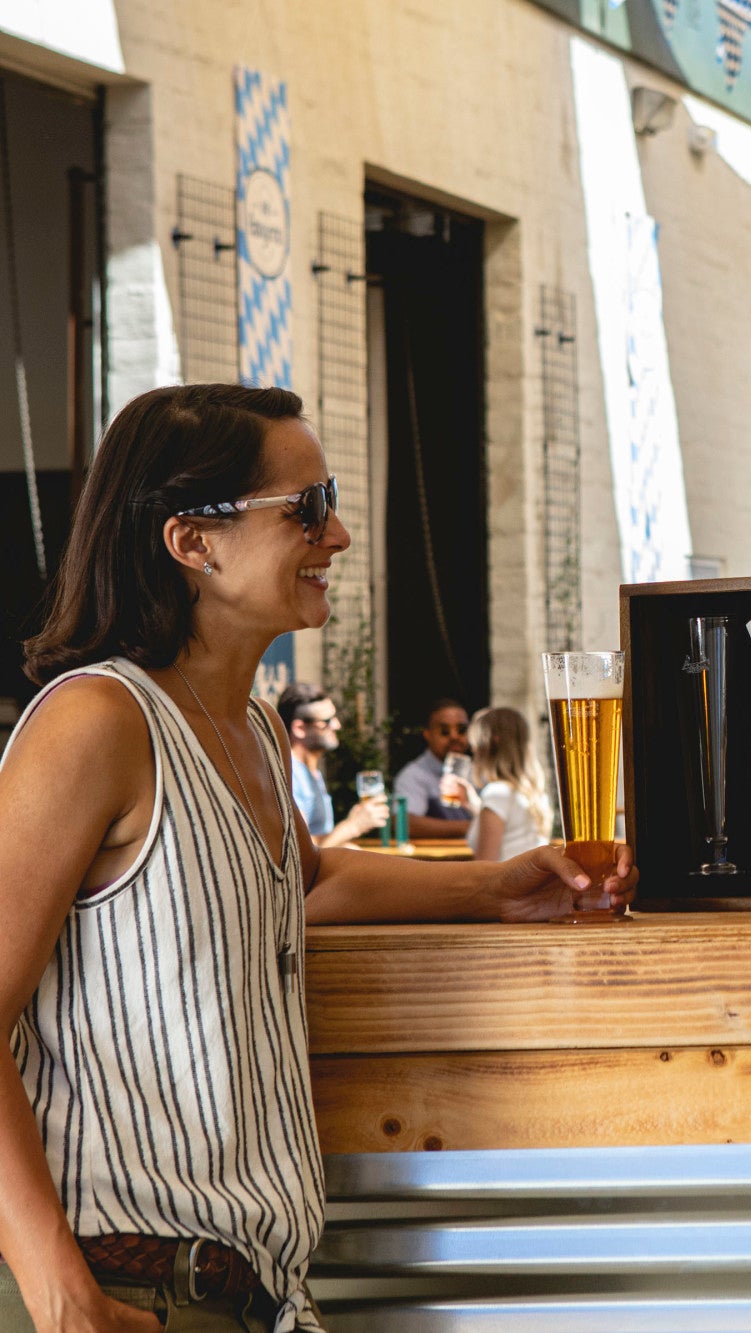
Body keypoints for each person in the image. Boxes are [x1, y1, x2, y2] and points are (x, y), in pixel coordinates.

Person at [0, 384, 635, 1332]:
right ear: (192, 542)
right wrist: (58, 1292)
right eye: (306, 507)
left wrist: (503, 886)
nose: (335, 534)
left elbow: (310, 882)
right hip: (123, 1285)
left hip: (246, 1293)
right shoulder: (97, 720)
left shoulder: (249, 724)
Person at [277, 681, 388, 849]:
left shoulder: (311, 771)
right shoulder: (289, 774)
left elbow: (317, 839)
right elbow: (300, 852)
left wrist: (353, 823)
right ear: (300, 728)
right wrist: (352, 826)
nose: (337, 725)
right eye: (327, 721)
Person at [454, 705, 553, 861]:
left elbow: (484, 870)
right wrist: (472, 804)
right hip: (531, 884)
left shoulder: (497, 793)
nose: (472, 750)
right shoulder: (535, 793)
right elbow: (512, 834)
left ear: (491, 743)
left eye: (475, 742)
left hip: (508, 885)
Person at [393, 698, 475, 839]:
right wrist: (472, 827)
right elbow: (404, 822)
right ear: (428, 734)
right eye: (444, 731)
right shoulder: (413, 775)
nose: (454, 736)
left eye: (461, 730)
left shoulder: (480, 772)